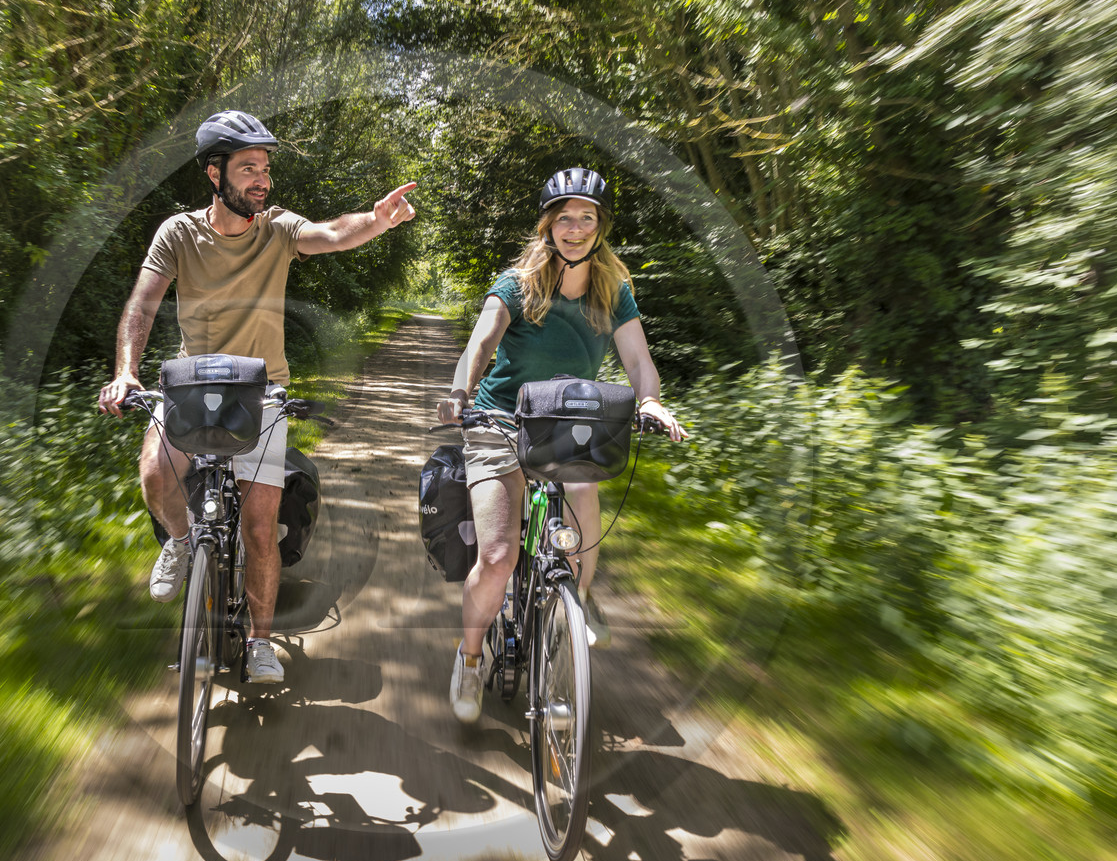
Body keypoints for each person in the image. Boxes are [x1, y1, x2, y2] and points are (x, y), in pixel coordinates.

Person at [99, 110, 417, 684]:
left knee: (261, 527)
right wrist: (126, 372)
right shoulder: (179, 234)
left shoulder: (278, 228)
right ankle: (179, 543)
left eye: (265, 169)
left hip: (263, 392)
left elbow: (332, 233)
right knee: (155, 472)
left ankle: (260, 642)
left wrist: (376, 220)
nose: (262, 180)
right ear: (214, 174)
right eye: (248, 168)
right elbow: (142, 304)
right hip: (192, 383)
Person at [435, 167, 686, 722]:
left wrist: (650, 402)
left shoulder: (612, 290)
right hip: (500, 419)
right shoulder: (518, 283)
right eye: (564, 218)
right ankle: (470, 657)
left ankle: (578, 598)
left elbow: (638, 358)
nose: (575, 229)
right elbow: (482, 341)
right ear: (548, 225)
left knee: (582, 488)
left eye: (586, 218)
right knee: (497, 559)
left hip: (570, 421)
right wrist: (460, 394)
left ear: (600, 227)